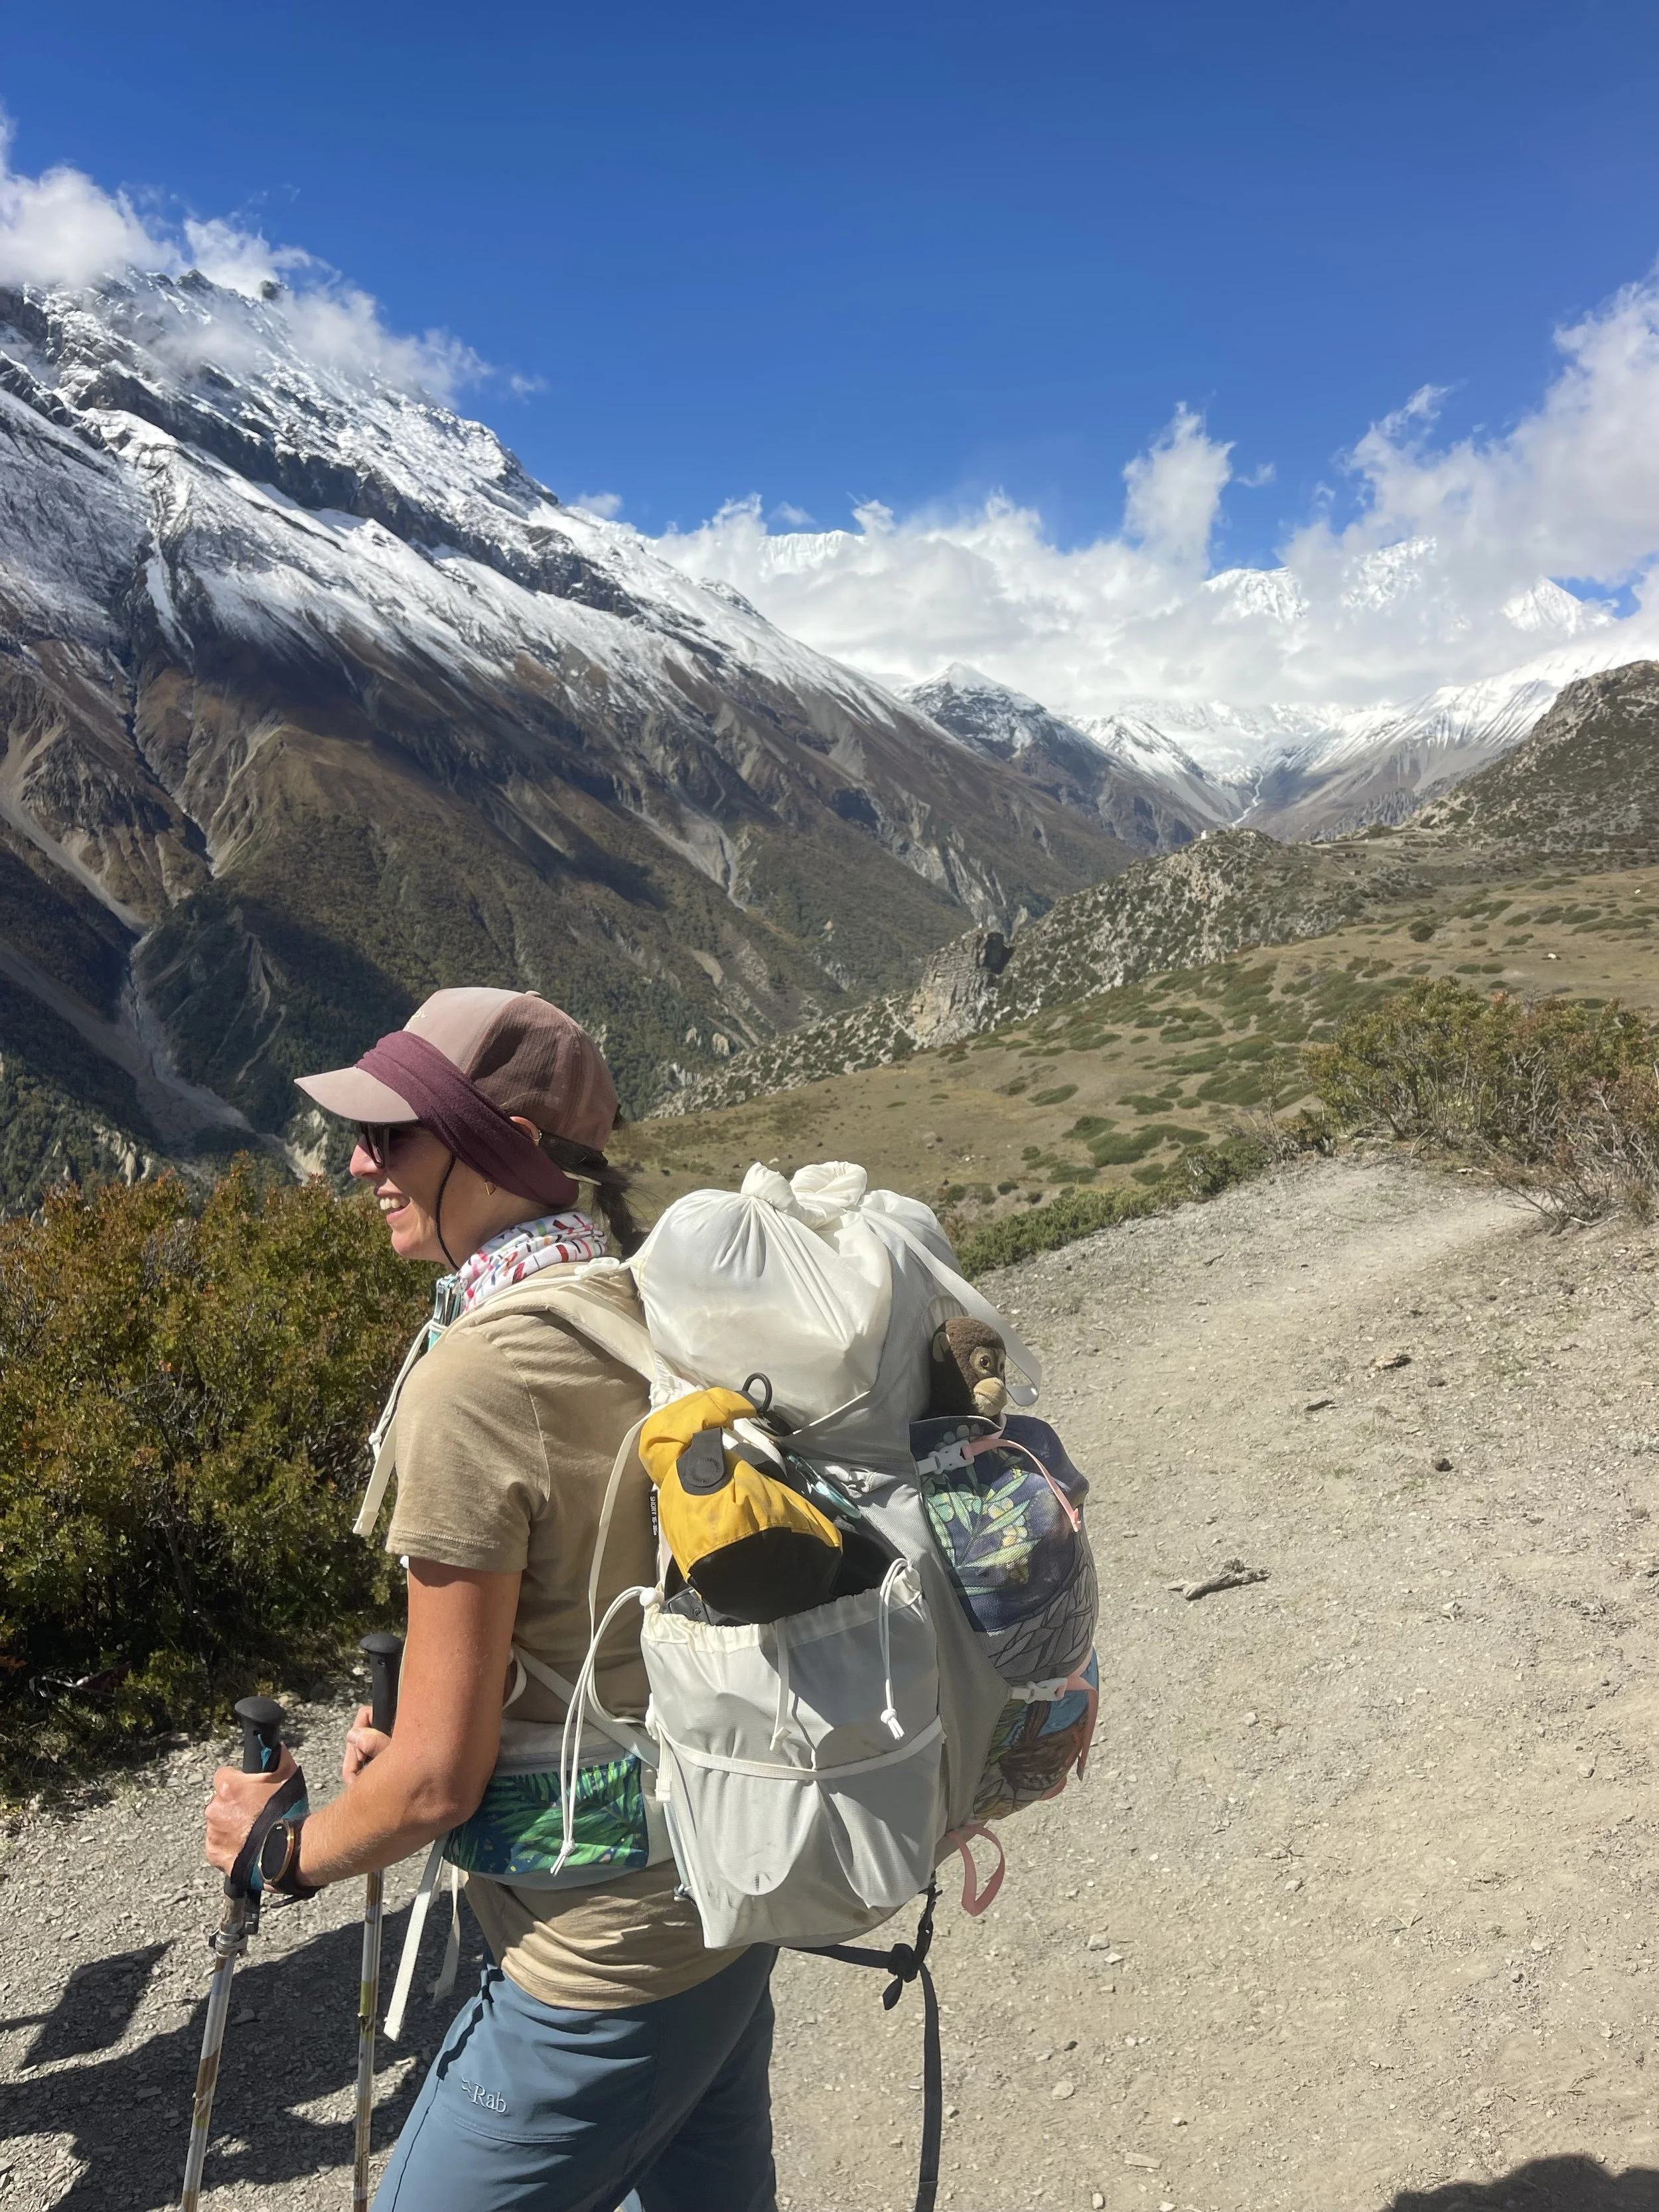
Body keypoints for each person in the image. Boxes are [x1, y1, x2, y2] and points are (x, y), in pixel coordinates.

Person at [202, 988, 777, 2212]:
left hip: (596, 1961)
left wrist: (279, 1854)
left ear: (495, 1140)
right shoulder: (644, 1302)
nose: (360, 1162)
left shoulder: (475, 1373)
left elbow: (432, 1785)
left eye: (393, 1134)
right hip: (725, 1892)